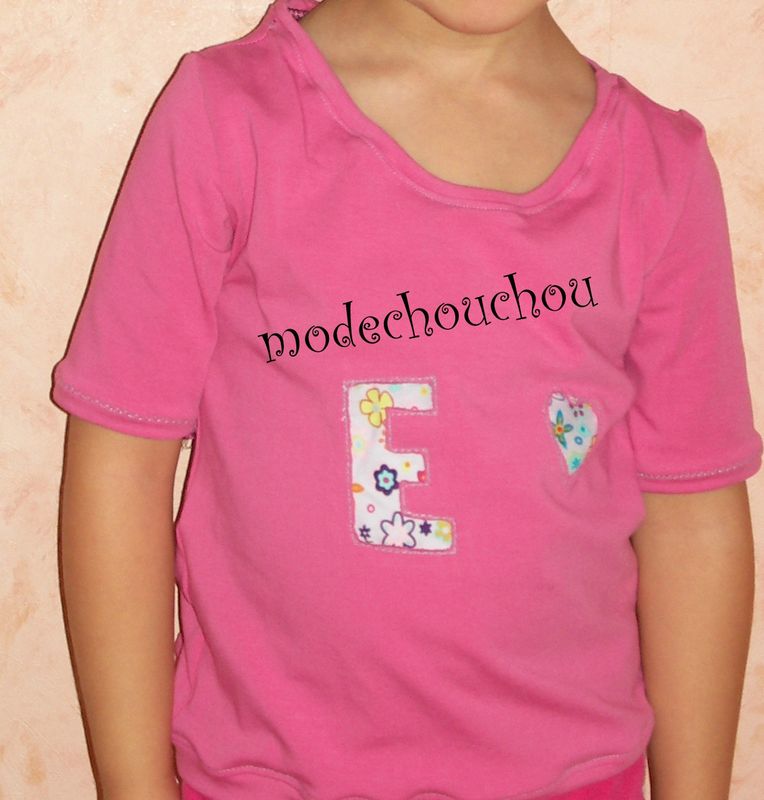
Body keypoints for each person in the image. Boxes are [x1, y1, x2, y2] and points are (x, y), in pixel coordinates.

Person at [51, 0, 762, 798]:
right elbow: (122, 465)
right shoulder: (230, 116)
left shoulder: (657, 169)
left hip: (575, 778)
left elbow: (693, 517)